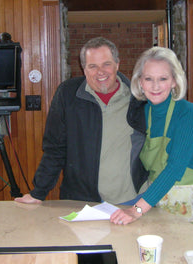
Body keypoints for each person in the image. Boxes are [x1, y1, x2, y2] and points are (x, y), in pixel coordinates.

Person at [15, 37, 148, 204]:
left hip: (131, 200)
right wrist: (38, 193)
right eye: (93, 66)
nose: (101, 72)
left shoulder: (138, 98)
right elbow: (54, 149)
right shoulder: (67, 95)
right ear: (84, 69)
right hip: (82, 203)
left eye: (106, 64)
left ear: (117, 64)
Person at [110, 46, 193, 232]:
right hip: (156, 196)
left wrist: (137, 210)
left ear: (174, 81)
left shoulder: (189, 113)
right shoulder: (139, 113)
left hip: (189, 198)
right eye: (148, 79)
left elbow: (174, 169)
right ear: (140, 81)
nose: (155, 86)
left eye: (163, 79)